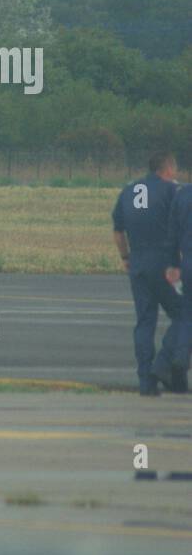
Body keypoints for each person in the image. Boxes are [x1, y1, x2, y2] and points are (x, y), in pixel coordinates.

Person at [112, 152, 183, 395]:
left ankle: (146, 383)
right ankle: (163, 364)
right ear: (168, 169)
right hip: (164, 263)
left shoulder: (129, 190)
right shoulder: (172, 190)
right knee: (185, 316)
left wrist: (125, 257)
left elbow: (118, 231)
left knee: (144, 322)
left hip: (138, 263)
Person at [164, 175, 192, 392]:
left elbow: (171, 236)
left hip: (188, 264)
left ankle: (180, 360)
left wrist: (173, 264)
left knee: (186, 316)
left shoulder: (182, 195)